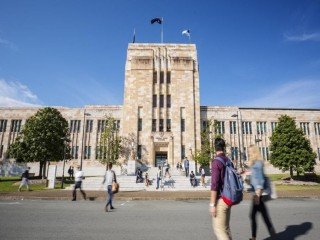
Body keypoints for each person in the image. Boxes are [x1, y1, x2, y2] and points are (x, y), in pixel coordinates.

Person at [248, 145, 276, 240]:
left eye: (250, 151)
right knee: (263, 216)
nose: (249, 153)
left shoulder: (258, 163)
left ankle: (254, 237)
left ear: (254, 152)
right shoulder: (255, 163)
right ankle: (271, 233)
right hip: (257, 193)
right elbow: (255, 178)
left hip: (258, 194)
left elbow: (260, 180)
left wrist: (257, 195)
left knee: (254, 215)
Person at [209, 137, 233, 240]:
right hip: (229, 198)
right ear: (224, 147)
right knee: (226, 229)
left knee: (219, 230)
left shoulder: (216, 162)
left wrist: (212, 204)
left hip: (221, 200)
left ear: (215, 147)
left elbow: (214, 184)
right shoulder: (228, 160)